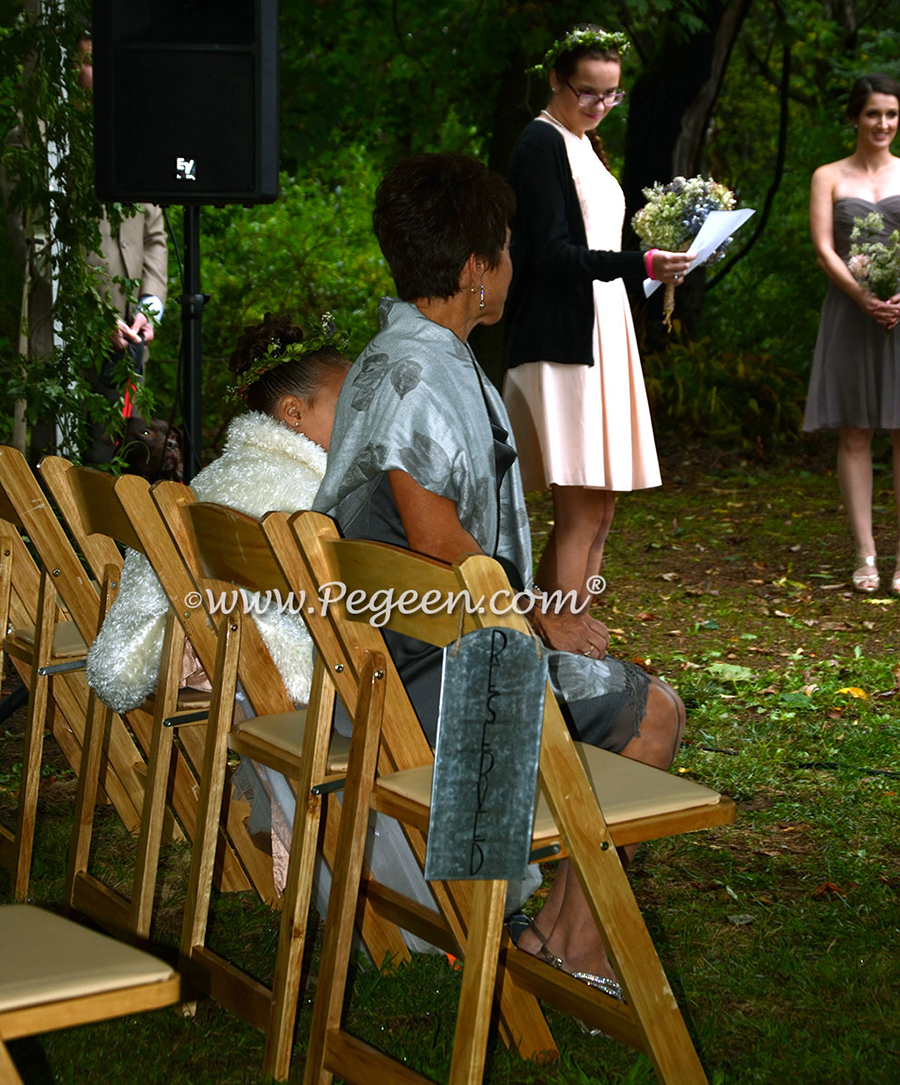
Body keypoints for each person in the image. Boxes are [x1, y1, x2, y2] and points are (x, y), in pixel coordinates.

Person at [314, 152, 687, 999]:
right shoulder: (421, 374)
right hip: (428, 671)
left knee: (629, 693)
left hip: (386, 653)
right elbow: (438, 543)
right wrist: (537, 620)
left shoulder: (393, 352)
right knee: (654, 712)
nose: (512, 267)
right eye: (508, 251)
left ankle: (544, 938)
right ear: (478, 271)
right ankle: (575, 948)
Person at [86, 312, 350, 889]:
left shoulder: (233, 470)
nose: (360, 417)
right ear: (293, 413)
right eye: (346, 403)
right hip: (233, 654)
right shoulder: (304, 490)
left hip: (190, 639)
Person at [503, 25, 693, 608]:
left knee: (602, 506)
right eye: (589, 92)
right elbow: (552, 255)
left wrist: (651, 272)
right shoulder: (540, 143)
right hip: (566, 343)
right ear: (557, 79)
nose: (601, 106)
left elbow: (596, 252)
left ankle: (568, 629)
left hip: (604, 332)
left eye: (612, 95)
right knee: (581, 503)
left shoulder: (582, 141)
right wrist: (644, 260)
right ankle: (563, 645)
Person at [803, 72, 900, 595]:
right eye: (872, 113)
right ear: (854, 117)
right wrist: (862, 295)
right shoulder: (829, 176)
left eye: (891, 113)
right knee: (856, 431)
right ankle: (865, 552)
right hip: (850, 310)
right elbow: (823, 248)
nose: (882, 123)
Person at [76, 30, 169, 463]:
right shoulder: (43, 141)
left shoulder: (134, 139)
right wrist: (93, 318)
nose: (101, 72)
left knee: (114, 458)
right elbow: (36, 245)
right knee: (58, 464)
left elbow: (155, 235)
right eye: (91, 60)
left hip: (130, 339)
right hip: (69, 336)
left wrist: (148, 311)